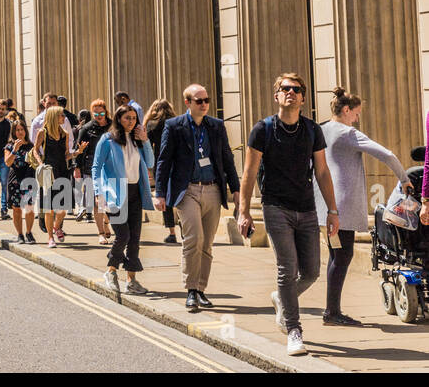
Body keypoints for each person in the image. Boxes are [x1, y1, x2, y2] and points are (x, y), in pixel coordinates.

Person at [237, 73, 339, 356]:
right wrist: (243, 211)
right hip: (275, 207)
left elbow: (321, 171)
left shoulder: (312, 130)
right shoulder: (263, 129)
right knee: (287, 268)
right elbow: (249, 172)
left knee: (311, 272)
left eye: (296, 89)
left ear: (303, 98)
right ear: (277, 95)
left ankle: (281, 299)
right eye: (285, 89)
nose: (291, 92)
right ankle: (294, 330)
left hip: (306, 208)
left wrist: (332, 210)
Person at [320, 86, 409, 327]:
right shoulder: (348, 133)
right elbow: (386, 154)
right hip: (343, 205)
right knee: (344, 254)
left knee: (335, 254)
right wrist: (404, 178)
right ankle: (331, 312)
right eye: (357, 114)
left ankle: (332, 310)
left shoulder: (322, 130)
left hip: (326, 204)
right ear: (346, 110)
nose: (358, 119)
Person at [157, 84, 240, 314]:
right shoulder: (174, 126)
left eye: (206, 100)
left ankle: (201, 289)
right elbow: (164, 160)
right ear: (188, 103)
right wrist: (160, 193)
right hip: (188, 190)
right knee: (194, 238)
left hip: (213, 189)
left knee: (207, 243)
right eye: (198, 101)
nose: (204, 104)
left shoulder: (216, 126)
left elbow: (227, 158)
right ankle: (191, 289)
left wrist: (236, 189)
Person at [94, 105, 155, 294]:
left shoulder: (137, 141)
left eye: (134, 118)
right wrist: (98, 192)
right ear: (119, 119)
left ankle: (131, 280)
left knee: (135, 238)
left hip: (135, 191)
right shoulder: (107, 140)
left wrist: (145, 140)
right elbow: (96, 167)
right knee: (123, 235)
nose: (132, 121)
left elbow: (151, 163)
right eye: (127, 118)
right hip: (114, 193)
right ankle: (111, 271)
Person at [34, 105, 81, 247]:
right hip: (48, 171)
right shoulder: (42, 132)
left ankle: (56, 227)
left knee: (63, 208)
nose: (64, 118)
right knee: (49, 208)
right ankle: (50, 238)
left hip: (62, 171)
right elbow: (35, 150)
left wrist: (76, 153)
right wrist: (40, 163)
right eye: (61, 115)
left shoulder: (65, 134)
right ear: (54, 117)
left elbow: (66, 155)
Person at [74, 100, 114, 244]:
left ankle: (106, 223)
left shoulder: (113, 126)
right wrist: (77, 168)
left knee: (108, 201)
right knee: (97, 202)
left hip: (111, 167)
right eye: (95, 113)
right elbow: (79, 148)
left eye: (101, 112)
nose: (99, 115)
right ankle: (101, 233)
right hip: (92, 168)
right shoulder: (86, 128)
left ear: (106, 111)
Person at [143, 99, 179, 243]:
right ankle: (184, 225)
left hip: (161, 163)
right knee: (180, 195)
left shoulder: (152, 125)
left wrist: (148, 167)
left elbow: (147, 146)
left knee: (164, 198)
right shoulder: (177, 122)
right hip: (177, 163)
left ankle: (172, 232)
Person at [4, 118, 37, 242]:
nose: (20, 132)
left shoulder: (31, 146)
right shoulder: (9, 146)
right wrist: (14, 150)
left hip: (29, 179)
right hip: (15, 181)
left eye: (22, 129)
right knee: (17, 209)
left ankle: (29, 233)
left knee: (29, 208)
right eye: (17, 130)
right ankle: (20, 234)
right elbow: (7, 163)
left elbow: (36, 160)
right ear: (13, 132)